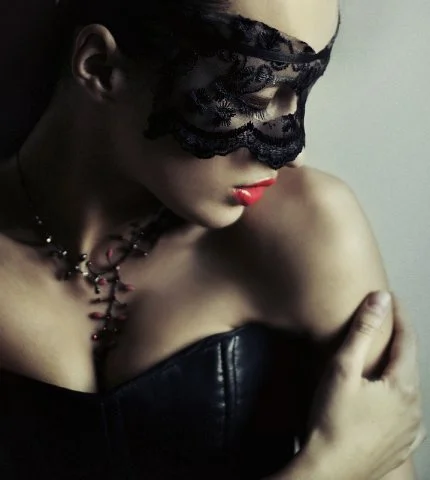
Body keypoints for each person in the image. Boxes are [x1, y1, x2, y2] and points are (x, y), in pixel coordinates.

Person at [0, 0, 424, 478]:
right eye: (253, 98)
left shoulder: (307, 229)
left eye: (301, 91)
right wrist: (329, 469)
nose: (292, 151)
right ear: (100, 67)